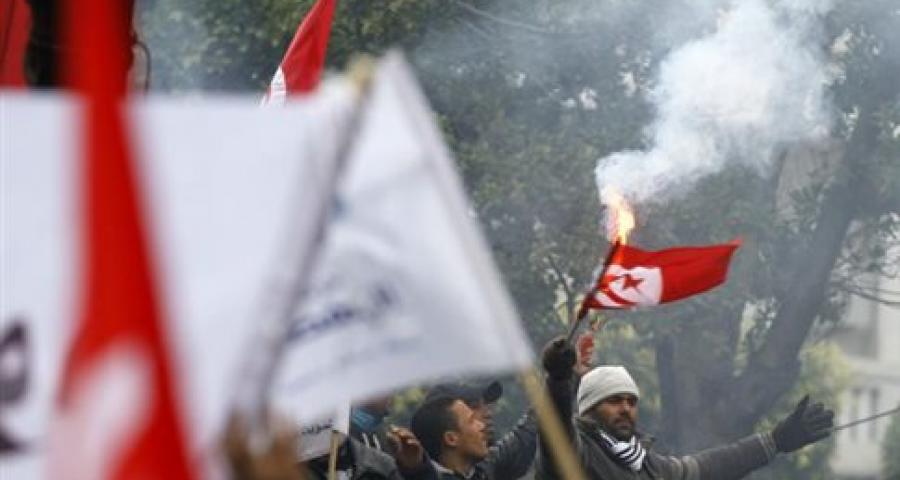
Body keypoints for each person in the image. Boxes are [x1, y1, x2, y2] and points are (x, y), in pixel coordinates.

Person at [538, 337, 835, 480]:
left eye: (631, 401)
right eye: (614, 401)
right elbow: (556, 426)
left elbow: (707, 467)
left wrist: (775, 441)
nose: (626, 408)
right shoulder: (576, 452)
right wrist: (559, 379)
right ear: (589, 409)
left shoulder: (648, 465)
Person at [404, 395, 536, 480]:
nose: (481, 425)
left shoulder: (482, 470)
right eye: (471, 421)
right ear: (451, 439)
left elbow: (522, 437)